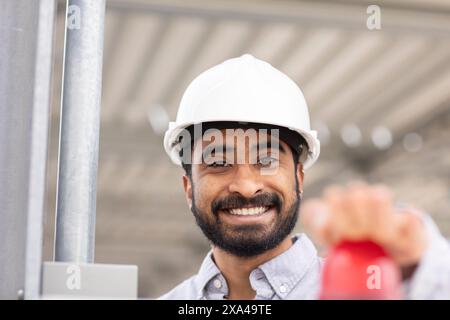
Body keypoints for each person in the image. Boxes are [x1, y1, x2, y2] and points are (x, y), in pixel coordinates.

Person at [159, 54, 450, 299]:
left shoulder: (374, 290)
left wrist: (420, 264)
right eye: (219, 162)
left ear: (299, 177)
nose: (246, 186)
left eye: (268, 160)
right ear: (188, 188)